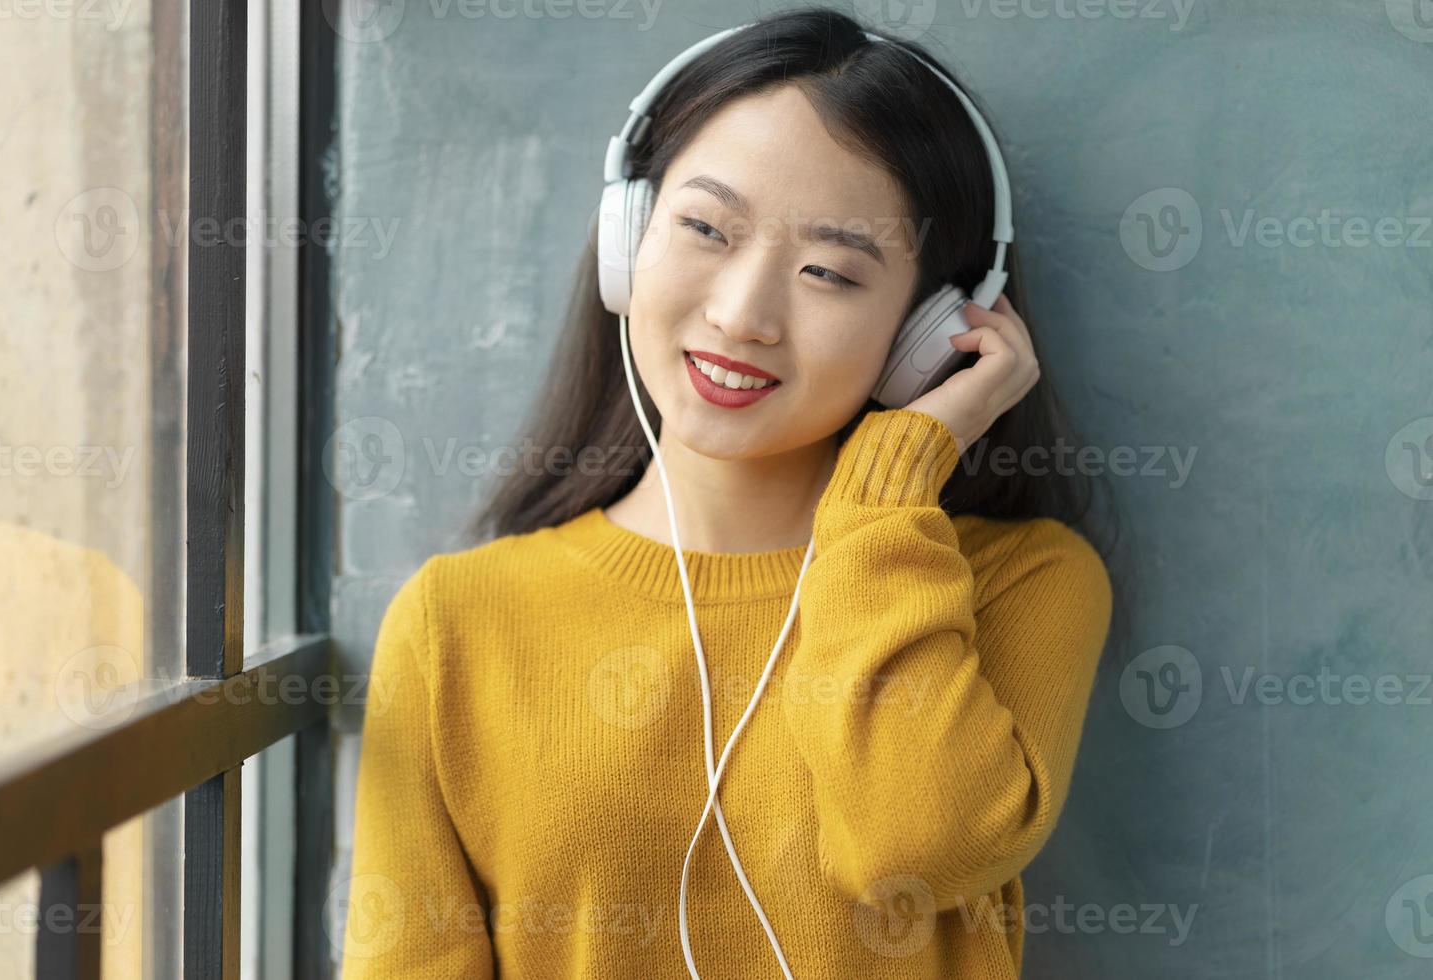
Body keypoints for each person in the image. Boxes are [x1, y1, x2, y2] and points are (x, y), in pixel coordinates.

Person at [342, 9, 1120, 978]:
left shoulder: (1019, 584)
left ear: (931, 329)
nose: (743, 313)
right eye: (706, 227)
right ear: (629, 236)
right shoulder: (454, 625)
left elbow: (912, 849)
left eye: (829, 272)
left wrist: (891, 489)